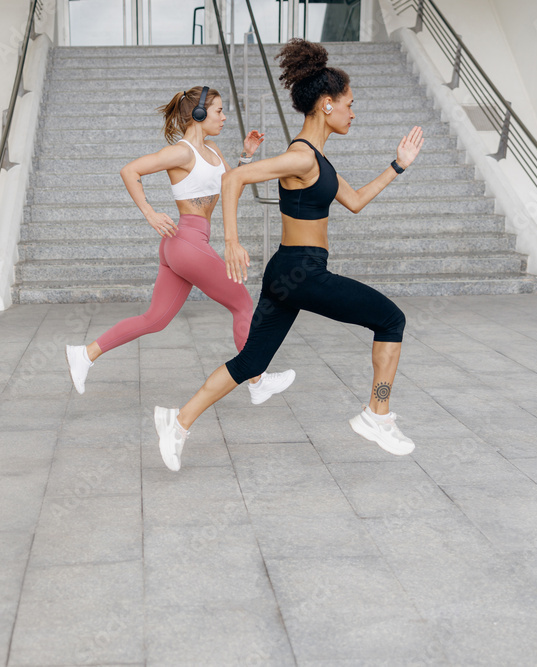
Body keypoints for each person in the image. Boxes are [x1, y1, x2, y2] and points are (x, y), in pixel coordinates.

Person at [154, 39, 425, 472]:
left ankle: (178, 421)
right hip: (301, 269)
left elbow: (354, 202)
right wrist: (231, 241)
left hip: (290, 270)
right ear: (326, 104)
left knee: (252, 361)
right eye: (350, 105)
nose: (354, 113)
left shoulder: (317, 159)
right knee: (391, 320)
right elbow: (234, 180)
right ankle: (378, 415)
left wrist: (397, 166)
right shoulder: (300, 157)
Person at [66, 85, 295, 404]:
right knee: (242, 304)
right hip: (186, 242)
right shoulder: (182, 152)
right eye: (218, 111)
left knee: (155, 320)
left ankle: (85, 354)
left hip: (183, 246)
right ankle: (257, 381)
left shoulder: (213, 151)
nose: (224, 117)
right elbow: (129, 170)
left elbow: (232, 191)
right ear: (199, 115)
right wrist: (150, 212)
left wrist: (246, 156)